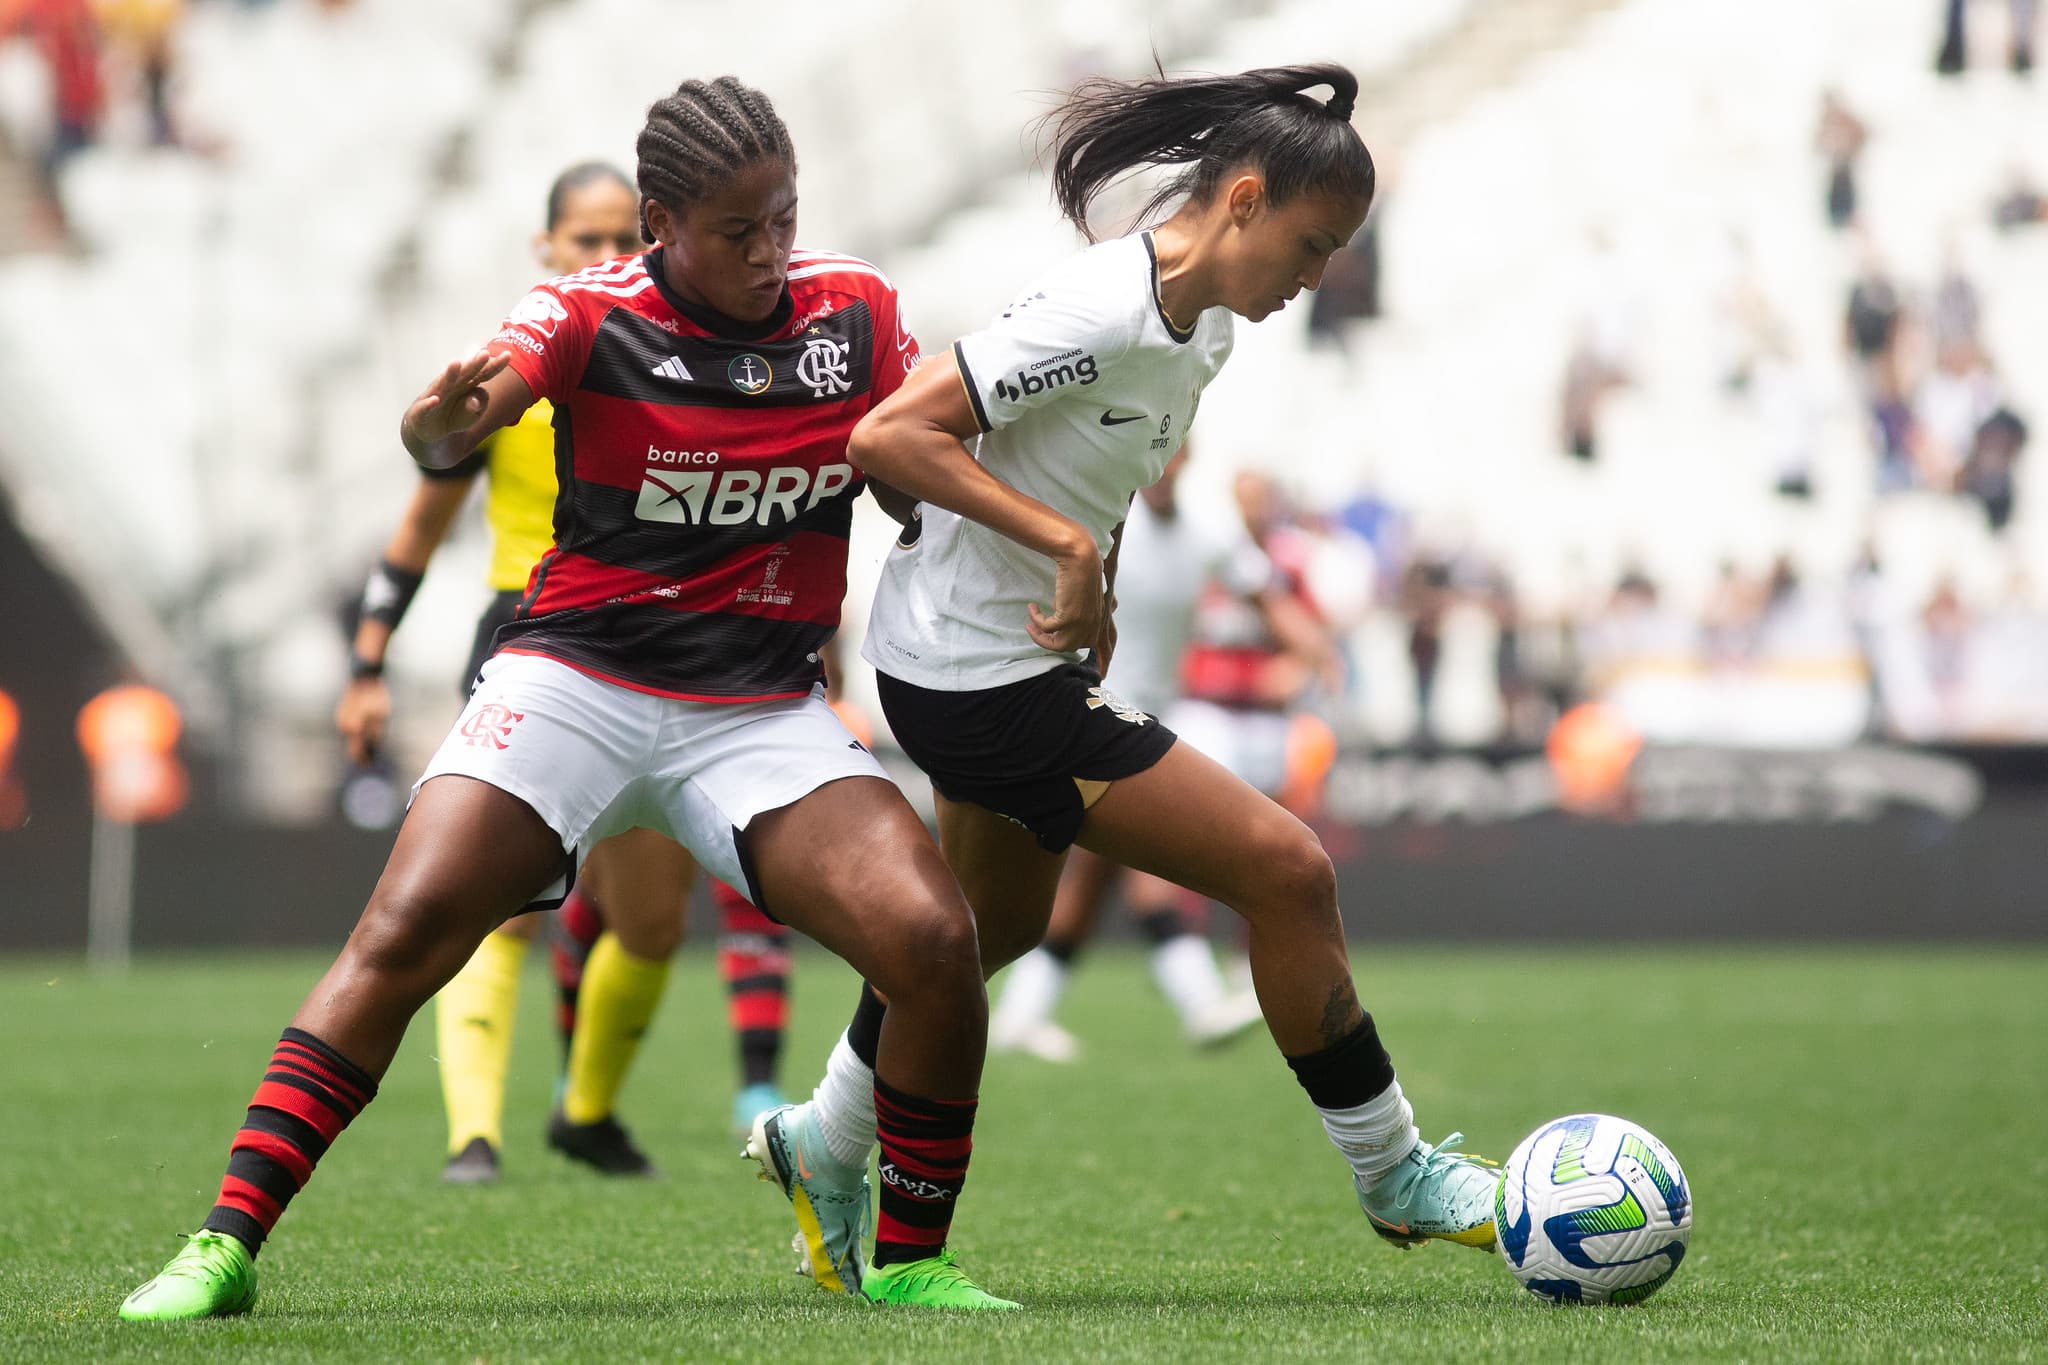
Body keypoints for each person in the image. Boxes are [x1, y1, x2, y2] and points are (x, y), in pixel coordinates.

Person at [120, 74, 1010, 1322]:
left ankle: (907, 1258)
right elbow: (463, 426)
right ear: (661, 224)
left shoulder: (855, 313)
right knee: (407, 930)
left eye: (782, 221)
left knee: (934, 942)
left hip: (757, 710)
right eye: (734, 231)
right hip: (576, 680)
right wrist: (439, 429)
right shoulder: (588, 312)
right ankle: (222, 1245)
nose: (767, 255)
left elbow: (916, 471)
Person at [750, 62, 1500, 1306]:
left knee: (984, 938)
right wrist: (1056, 553)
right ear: (1244, 201)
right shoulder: (1101, 306)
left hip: (1005, 655)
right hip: (971, 675)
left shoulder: (1201, 325)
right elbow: (886, 436)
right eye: (1310, 248)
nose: (1313, 280)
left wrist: (1086, 568)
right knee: (1285, 869)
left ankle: (820, 1143)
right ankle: (1396, 1175)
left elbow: (1085, 473)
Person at [335, 162, 796, 1184]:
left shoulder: (682, 363)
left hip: (651, 647)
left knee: (650, 921)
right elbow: (416, 529)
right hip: (525, 637)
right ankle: (472, 1137)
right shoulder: (521, 372)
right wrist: (367, 663)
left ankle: (583, 1113)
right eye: (581, 241)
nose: (603, 257)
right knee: (489, 900)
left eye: (617, 238)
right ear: (543, 251)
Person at [988, 446, 1280, 1063]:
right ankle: (1201, 1001)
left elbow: (1266, 596)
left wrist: (1313, 653)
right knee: (1150, 858)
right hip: (1089, 713)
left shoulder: (1207, 529)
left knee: (1091, 881)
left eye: (1180, 456)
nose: (1168, 467)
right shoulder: (1103, 515)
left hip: (1148, 715)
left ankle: (1019, 1014)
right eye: (1161, 455)